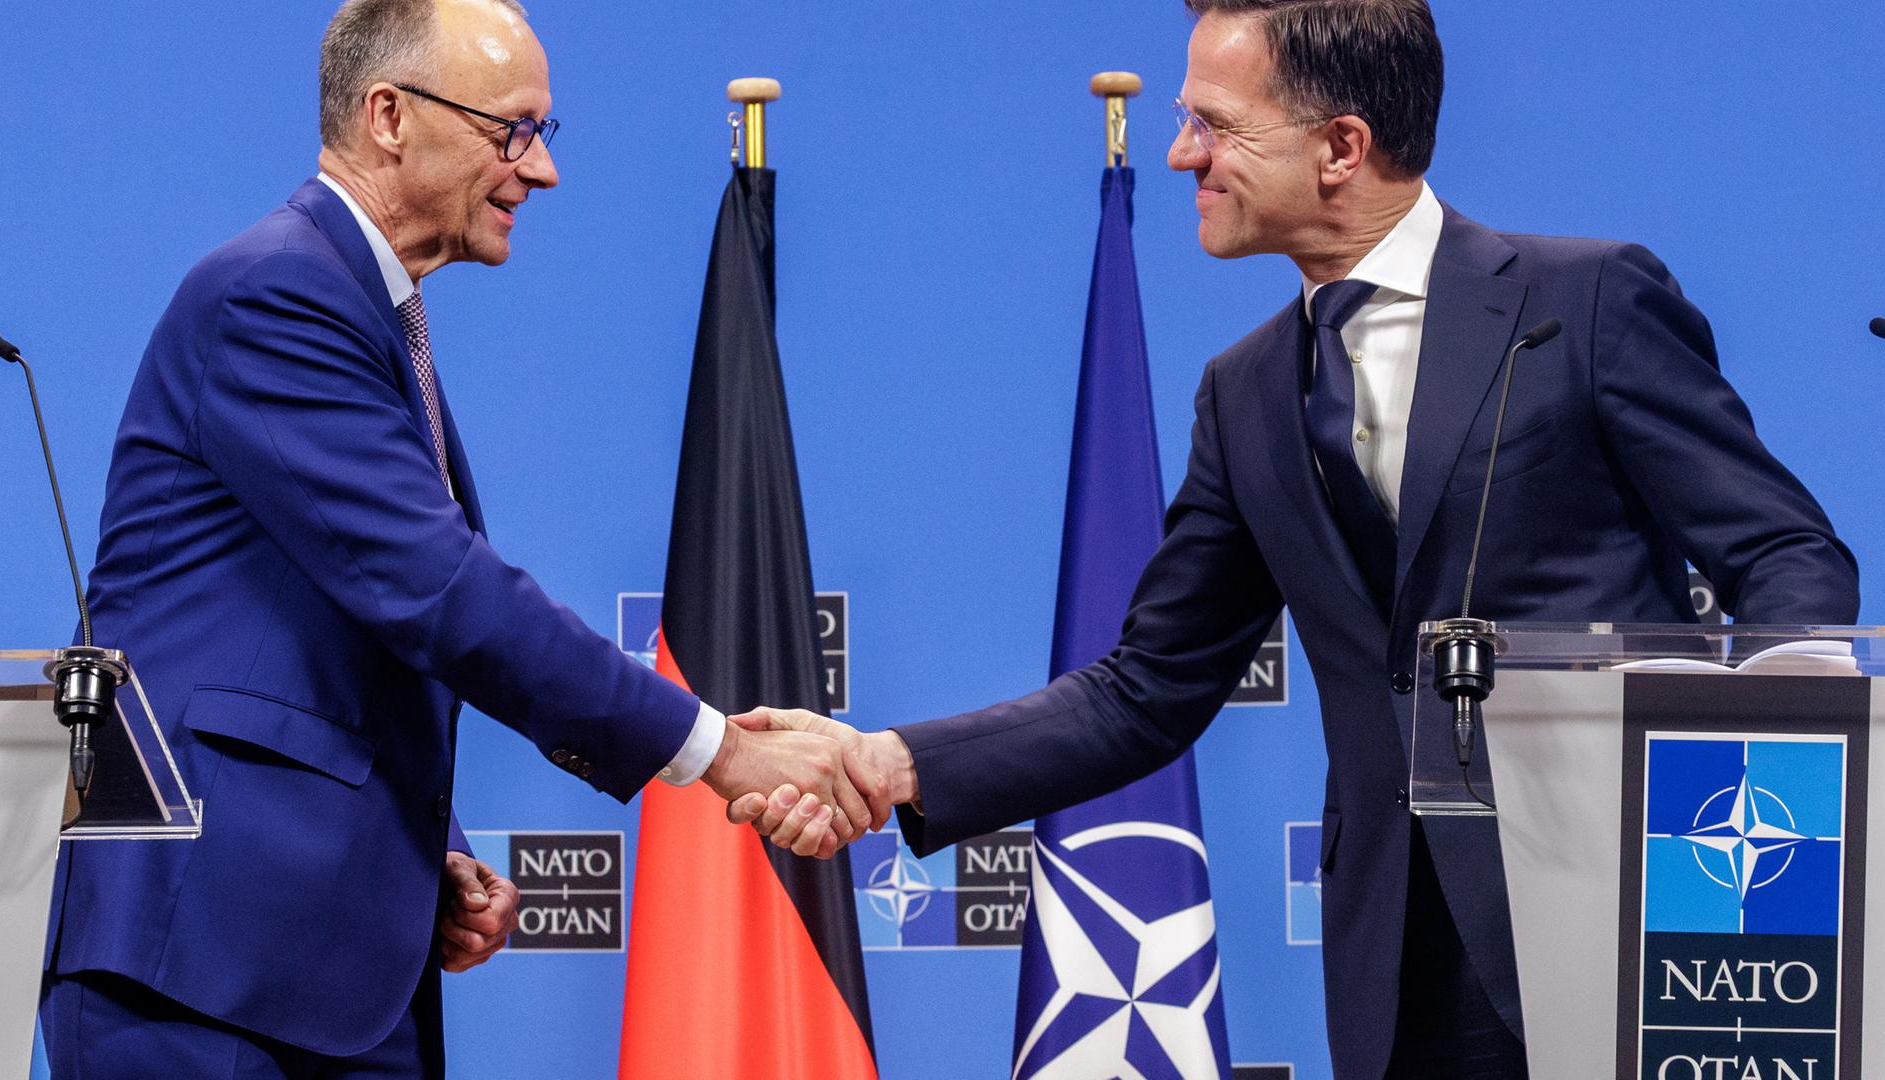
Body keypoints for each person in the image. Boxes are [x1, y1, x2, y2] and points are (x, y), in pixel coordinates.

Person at [730, 1, 1861, 1077]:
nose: (1181, 156)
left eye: (1212, 124)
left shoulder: (1586, 303)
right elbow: (1148, 688)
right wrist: (894, 762)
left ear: (1341, 145)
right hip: (1400, 963)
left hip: (1634, 922)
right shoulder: (1247, 392)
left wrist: (1757, 857)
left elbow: (1787, 562)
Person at [37, 1, 872, 1075]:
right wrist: (720, 750)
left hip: (326, 973)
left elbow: (326, 641)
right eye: (512, 130)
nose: (540, 171)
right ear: (390, 116)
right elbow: (437, 590)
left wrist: (427, 848)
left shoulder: (367, 318)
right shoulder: (274, 297)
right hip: (204, 974)